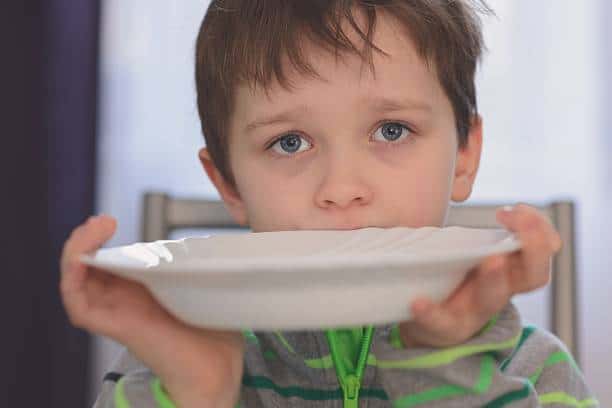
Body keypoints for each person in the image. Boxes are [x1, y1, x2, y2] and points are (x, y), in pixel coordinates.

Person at [60, 1, 598, 406]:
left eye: (391, 130)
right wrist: (197, 388)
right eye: (289, 142)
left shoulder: (531, 369)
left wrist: (443, 364)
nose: (342, 188)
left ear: (463, 156)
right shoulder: (165, 360)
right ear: (228, 183)